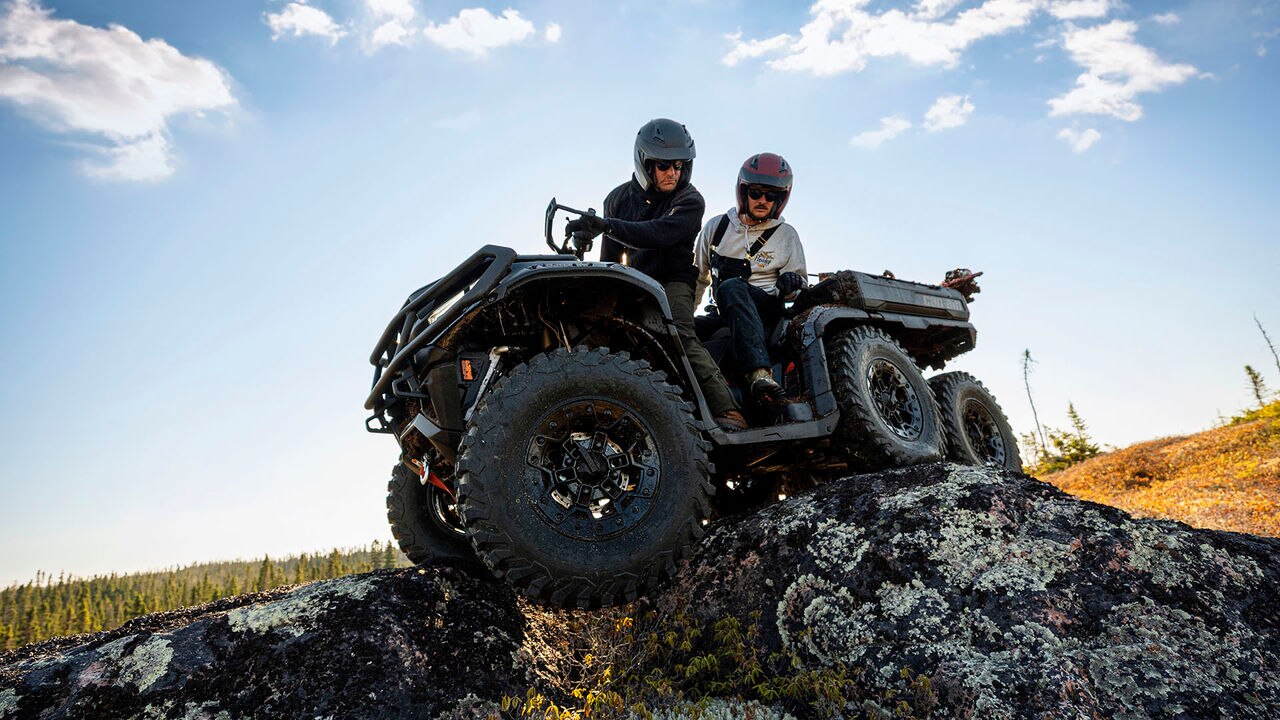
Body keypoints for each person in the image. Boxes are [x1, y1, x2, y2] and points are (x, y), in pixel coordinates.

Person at [565, 118, 746, 431]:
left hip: (671, 281)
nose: (672, 173)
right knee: (596, 331)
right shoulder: (618, 199)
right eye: (664, 166)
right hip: (631, 282)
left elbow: (659, 234)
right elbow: (609, 257)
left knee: (678, 333)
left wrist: (607, 226)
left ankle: (727, 409)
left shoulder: (689, 200)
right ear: (645, 164)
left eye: (679, 165)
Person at [694, 152, 806, 406]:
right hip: (724, 310)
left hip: (766, 310)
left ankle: (760, 376)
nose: (763, 201)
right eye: (756, 193)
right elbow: (699, 278)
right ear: (743, 192)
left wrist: (791, 285)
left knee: (733, 286)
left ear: (781, 199)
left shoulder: (786, 235)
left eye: (772, 196)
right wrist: (681, 319)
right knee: (686, 331)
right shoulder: (716, 227)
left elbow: (800, 288)